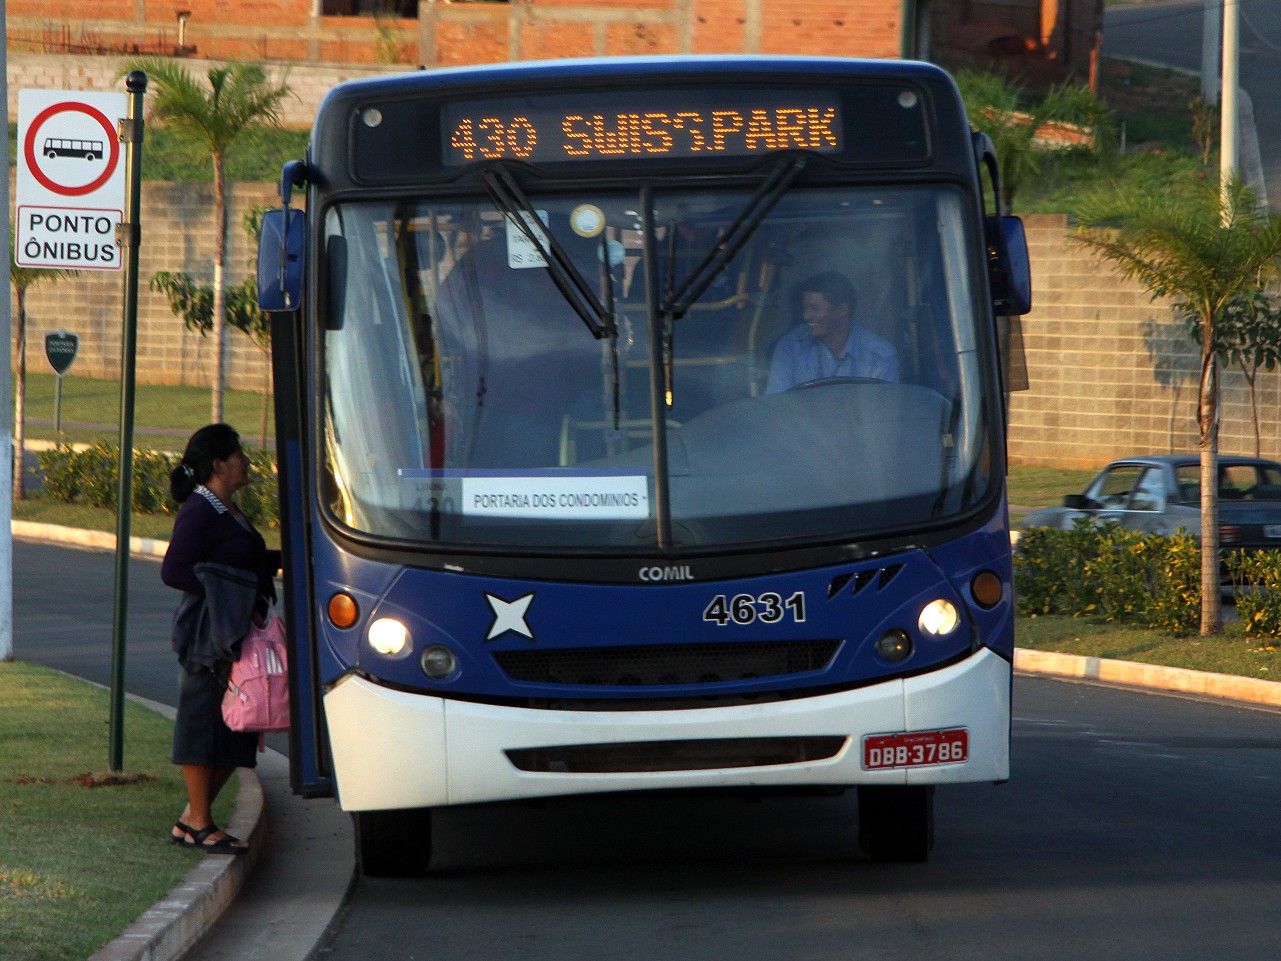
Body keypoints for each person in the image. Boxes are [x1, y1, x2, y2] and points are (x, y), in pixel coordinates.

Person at [161, 424, 281, 855]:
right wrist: (226, 585)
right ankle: (199, 821)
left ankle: (191, 820)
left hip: (237, 633)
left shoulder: (229, 511)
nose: (246, 462)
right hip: (208, 635)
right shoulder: (200, 511)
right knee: (202, 724)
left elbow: (246, 558)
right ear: (218, 465)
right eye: (239, 455)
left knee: (239, 725)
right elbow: (174, 570)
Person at [765, 270, 900, 394]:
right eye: (805, 307)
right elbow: (776, 408)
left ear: (842, 310)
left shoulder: (880, 356)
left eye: (815, 308)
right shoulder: (790, 347)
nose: (806, 316)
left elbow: (882, 415)